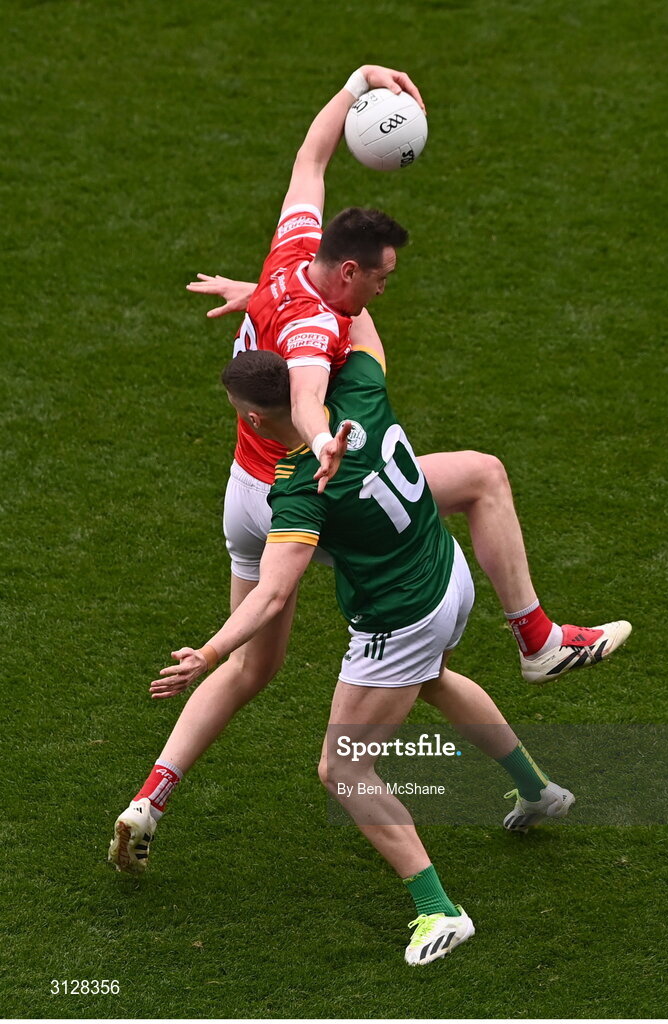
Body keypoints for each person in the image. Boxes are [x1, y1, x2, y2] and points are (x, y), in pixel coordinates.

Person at [112, 64, 628, 871]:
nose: (384, 292)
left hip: (242, 492)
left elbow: (312, 158)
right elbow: (311, 396)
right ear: (349, 272)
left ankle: (151, 794)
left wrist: (355, 85)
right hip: (299, 490)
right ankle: (532, 646)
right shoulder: (324, 333)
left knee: (268, 665)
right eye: (381, 279)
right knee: (445, 522)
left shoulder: (291, 258)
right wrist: (321, 446)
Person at [112, 342, 576, 966]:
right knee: (434, 677)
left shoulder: (300, 488)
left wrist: (210, 651)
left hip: (398, 622)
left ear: (250, 420)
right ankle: (537, 791)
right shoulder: (357, 389)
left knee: (344, 770)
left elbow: (274, 593)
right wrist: (282, 296)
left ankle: (440, 910)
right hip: (447, 573)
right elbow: (356, 318)